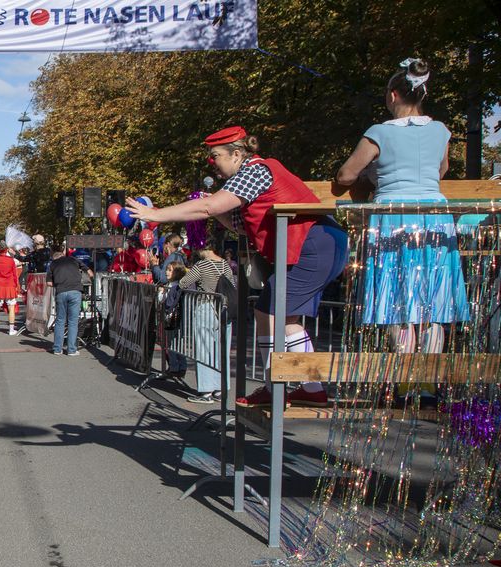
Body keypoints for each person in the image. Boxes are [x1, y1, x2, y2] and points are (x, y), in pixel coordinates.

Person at [125, 126, 348, 408]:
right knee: (283, 318)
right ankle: (309, 388)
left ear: (237, 154)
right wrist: (209, 208)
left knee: (268, 313)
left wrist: (156, 213)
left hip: (313, 244)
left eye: (216, 155)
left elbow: (211, 207)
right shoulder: (250, 176)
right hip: (320, 243)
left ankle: (278, 387)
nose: (212, 163)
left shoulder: (255, 171)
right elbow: (237, 225)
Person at [336, 58, 469, 369]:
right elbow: (442, 170)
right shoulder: (440, 130)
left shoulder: (379, 133)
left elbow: (345, 175)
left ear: (393, 95)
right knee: (433, 301)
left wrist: (371, 174)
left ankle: (404, 375)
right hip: (435, 216)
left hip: (393, 216)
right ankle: (428, 378)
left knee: (397, 298)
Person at [179, 243, 236, 403]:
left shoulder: (202, 265)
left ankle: (205, 391)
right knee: (222, 350)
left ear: (205, 249)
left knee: (204, 349)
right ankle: (220, 389)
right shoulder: (226, 265)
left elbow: (184, 282)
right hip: (224, 309)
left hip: (206, 307)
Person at [47, 249, 93, 356]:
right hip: (75, 291)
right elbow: (89, 271)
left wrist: (58, 284)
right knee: (73, 321)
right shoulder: (73, 259)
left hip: (61, 292)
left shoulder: (53, 264)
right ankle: (72, 350)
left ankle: (57, 349)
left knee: (60, 321)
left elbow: (49, 283)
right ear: (63, 255)